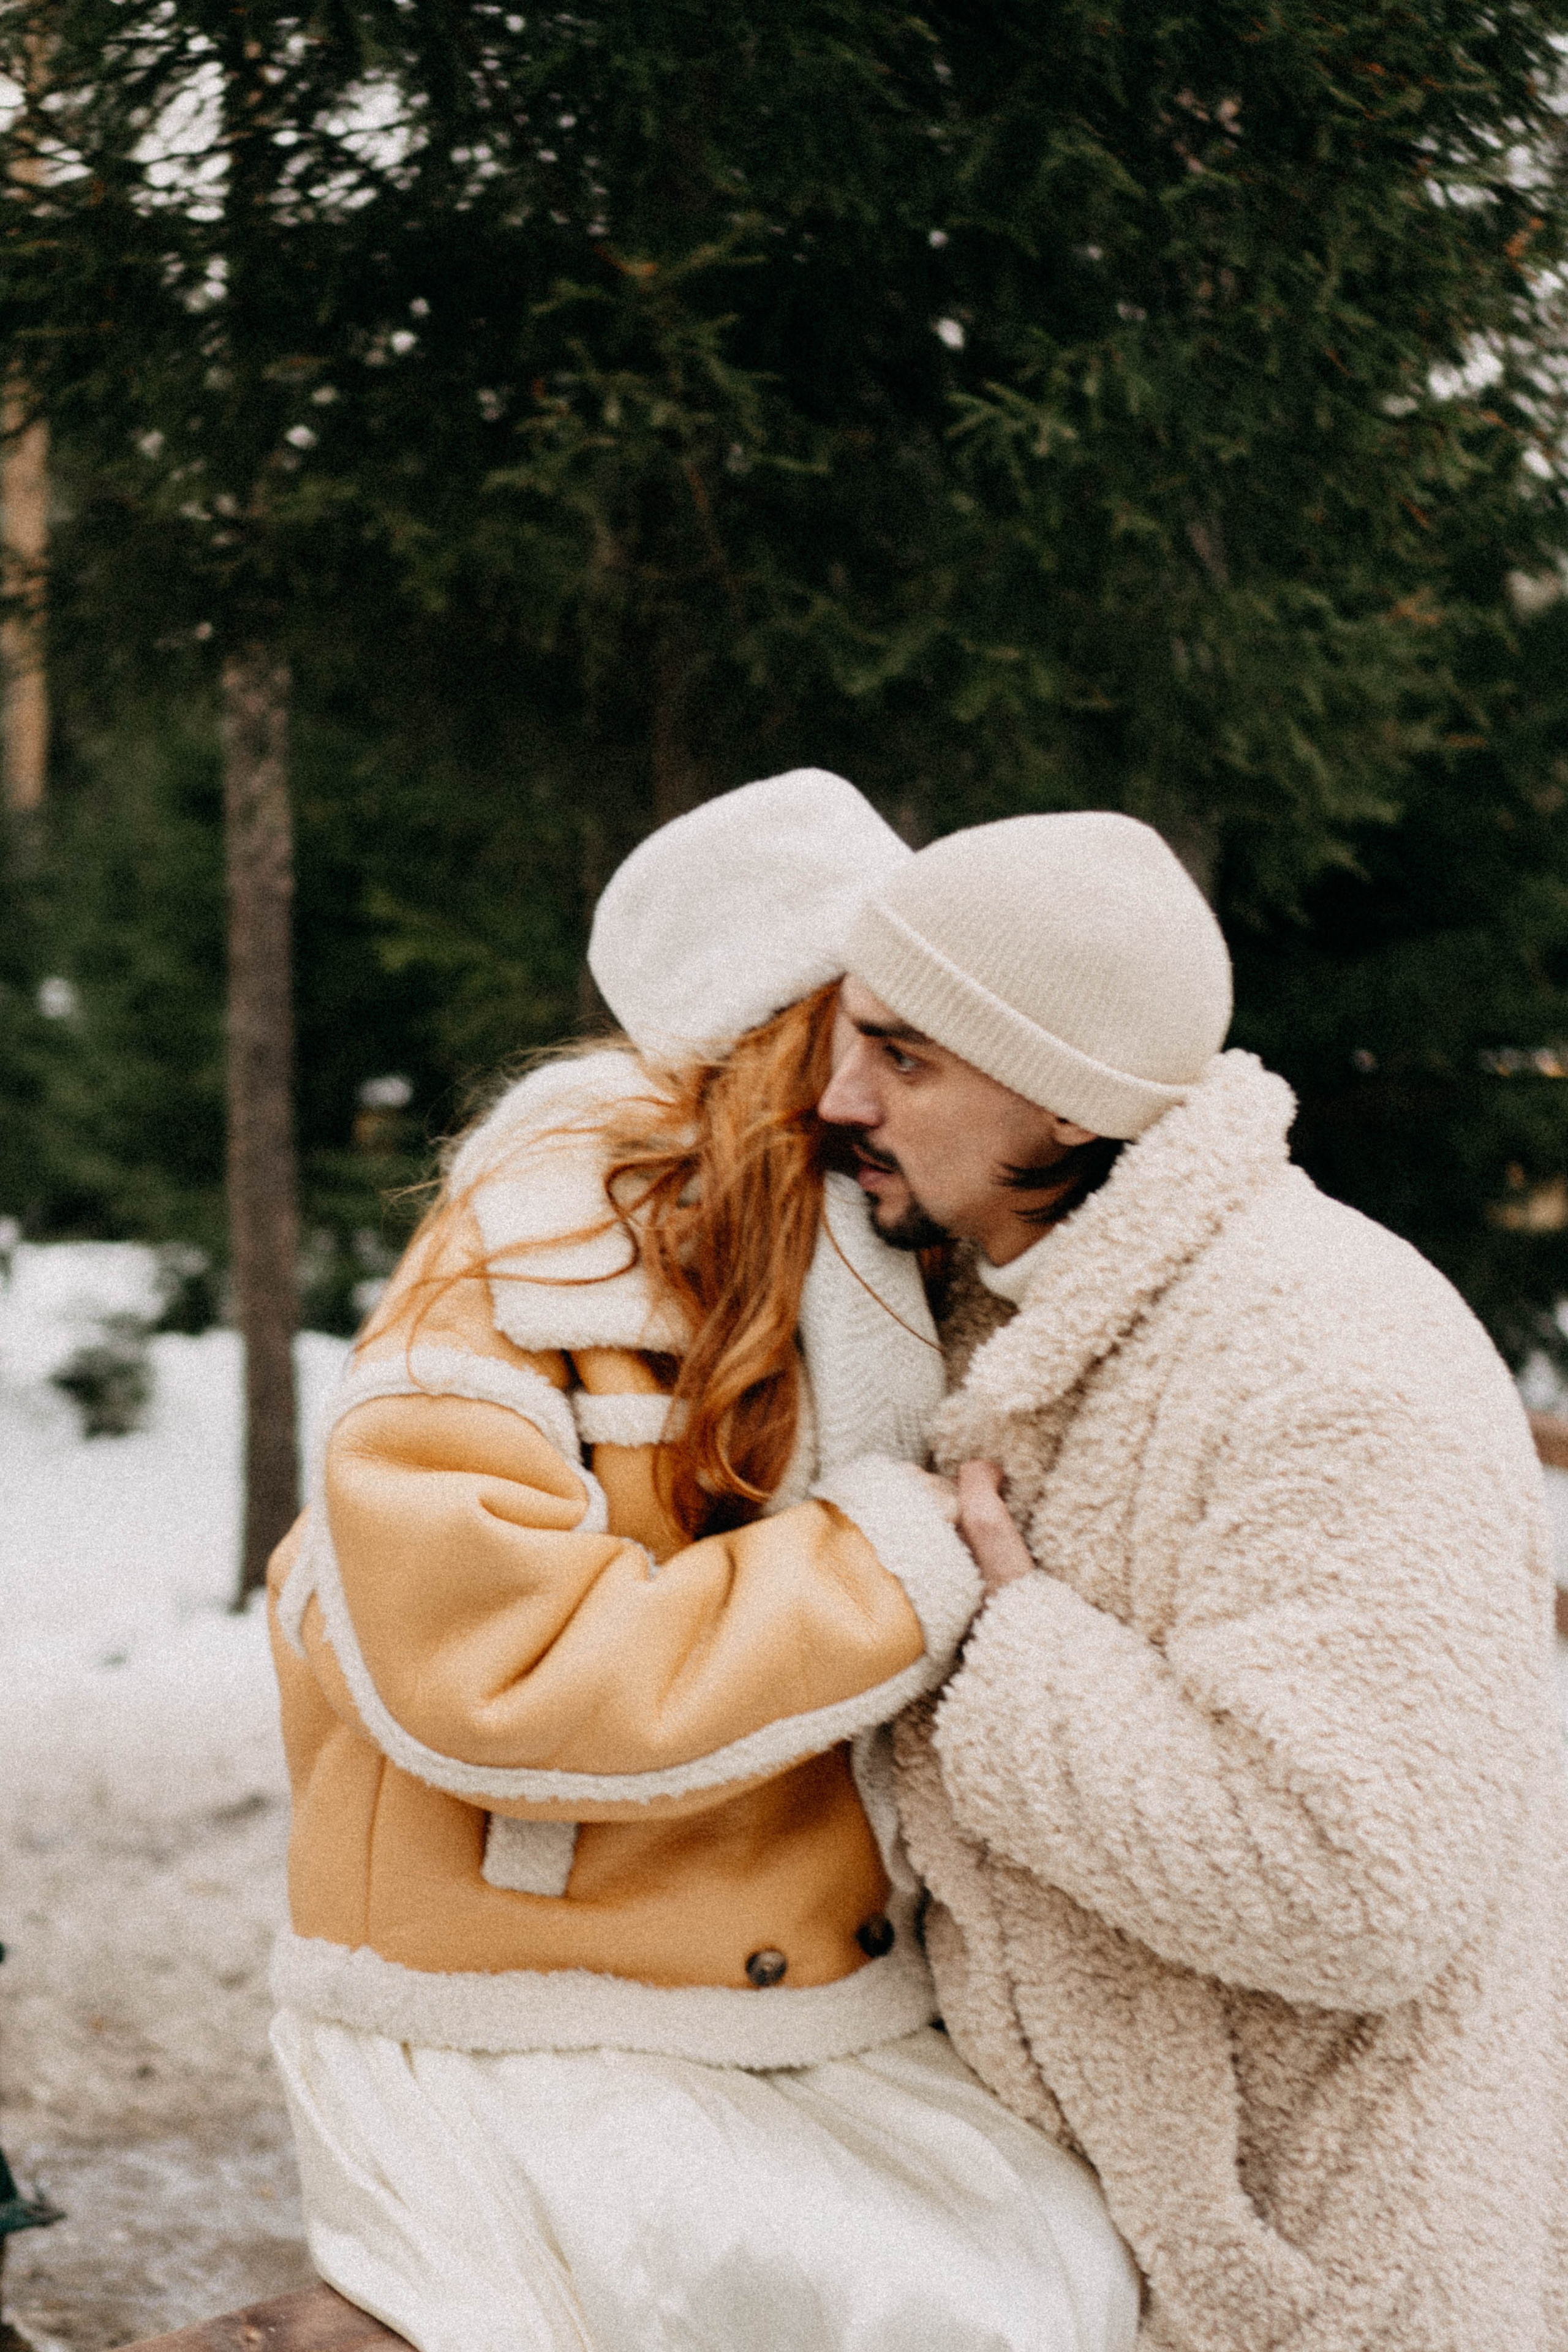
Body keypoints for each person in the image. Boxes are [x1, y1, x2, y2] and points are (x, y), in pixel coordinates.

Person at [265, 771, 1141, 2352]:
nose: (902, 1073)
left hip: (813, 1993)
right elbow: (494, 1674)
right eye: (879, 1028)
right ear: (791, 1025)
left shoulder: (886, 1236)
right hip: (533, 2002)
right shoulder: (523, 1271)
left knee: (1073, 2278)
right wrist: (896, 1561)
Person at [816, 808, 1567, 2352]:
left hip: (1342, 2278)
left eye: (903, 1059)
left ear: (1067, 1099)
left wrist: (997, 1643)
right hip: (1087, 2258)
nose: (840, 1101)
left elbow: (1357, 1887)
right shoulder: (991, 1312)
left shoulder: (1329, 1347)